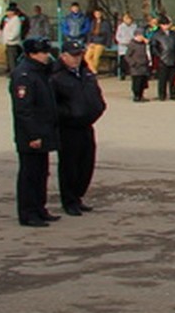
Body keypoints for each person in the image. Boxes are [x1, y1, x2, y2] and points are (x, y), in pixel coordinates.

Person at [9, 36, 61, 227]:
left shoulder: (40, 72)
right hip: (31, 134)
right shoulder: (24, 75)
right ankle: (28, 212)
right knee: (30, 175)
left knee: (41, 173)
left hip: (44, 130)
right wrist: (33, 135)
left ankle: (39, 208)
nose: (46, 56)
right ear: (31, 54)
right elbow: (24, 110)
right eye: (43, 52)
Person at [52, 38, 106, 215]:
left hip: (86, 125)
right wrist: (69, 114)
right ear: (63, 56)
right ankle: (69, 200)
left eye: (79, 55)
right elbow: (53, 104)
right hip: (68, 128)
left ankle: (78, 196)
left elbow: (96, 96)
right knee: (69, 166)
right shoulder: (56, 77)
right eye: (73, 56)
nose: (77, 59)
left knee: (86, 164)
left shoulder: (86, 73)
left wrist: (97, 109)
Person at [124, 26, 152, 103]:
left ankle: (141, 95)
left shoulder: (143, 44)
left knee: (143, 82)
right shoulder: (132, 44)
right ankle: (136, 95)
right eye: (141, 36)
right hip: (136, 66)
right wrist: (133, 63)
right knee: (137, 82)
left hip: (144, 65)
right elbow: (127, 56)